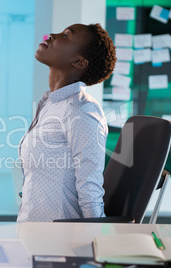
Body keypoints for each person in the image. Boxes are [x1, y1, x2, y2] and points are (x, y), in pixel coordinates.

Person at [17, 23, 116, 222]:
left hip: (57, 240)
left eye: (65, 35)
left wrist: (99, 243)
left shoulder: (81, 111)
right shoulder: (52, 103)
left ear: (79, 62)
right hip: (31, 233)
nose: (52, 35)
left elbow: (90, 189)